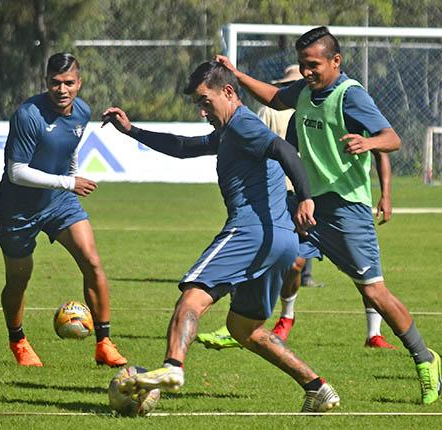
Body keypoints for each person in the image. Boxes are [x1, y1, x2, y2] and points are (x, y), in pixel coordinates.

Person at [215, 26, 442, 405]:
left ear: (336, 61)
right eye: (303, 65)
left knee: (373, 291)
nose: (307, 72)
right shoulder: (305, 91)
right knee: (270, 247)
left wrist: (368, 141)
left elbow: (393, 138)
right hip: (309, 204)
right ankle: (243, 322)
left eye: (314, 65)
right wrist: (237, 74)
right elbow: (274, 97)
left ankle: (424, 357)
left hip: (347, 211)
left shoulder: (350, 96)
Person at [101, 60, 340, 413]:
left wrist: (304, 197)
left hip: (250, 232)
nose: (201, 111)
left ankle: (173, 367)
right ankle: (317, 387)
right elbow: (184, 147)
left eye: (205, 101)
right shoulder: (230, 131)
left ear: (228, 92)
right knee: (246, 329)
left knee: (192, 298)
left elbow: (285, 150)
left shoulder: (243, 124)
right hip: (282, 241)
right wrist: (132, 130)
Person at [197, 65, 396, 351]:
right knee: (285, 259)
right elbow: (276, 148)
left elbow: (383, 146)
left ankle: (375, 334)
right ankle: (263, 321)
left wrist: (385, 195)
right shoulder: (278, 113)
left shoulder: (344, 104)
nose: (305, 83)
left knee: (366, 280)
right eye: (297, 82)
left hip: (342, 203)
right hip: (295, 196)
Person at [0, 52, 127, 368]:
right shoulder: (28, 116)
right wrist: (68, 183)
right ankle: (18, 341)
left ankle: (104, 343)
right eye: (55, 83)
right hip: (19, 210)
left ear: (79, 83)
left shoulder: (82, 112)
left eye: (69, 82)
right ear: (46, 83)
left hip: (58, 203)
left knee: (92, 260)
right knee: (19, 280)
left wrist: (68, 179)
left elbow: (69, 152)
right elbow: (17, 172)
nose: (62, 89)